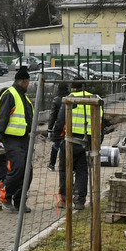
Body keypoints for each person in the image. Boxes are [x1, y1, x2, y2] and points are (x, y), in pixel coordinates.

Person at [51, 78, 103, 210]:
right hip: (87, 142)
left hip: (70, 141)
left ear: (73, 88)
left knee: (65, 170)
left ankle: (64, 199)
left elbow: (60, 120)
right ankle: (79, 201)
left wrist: (56, 138)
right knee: (82, 171)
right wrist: (96, 144)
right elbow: (100, 124)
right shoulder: (94, 99)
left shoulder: (70, 99)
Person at [0, 66, 35, 212]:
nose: (28, 84)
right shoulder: (10, 95)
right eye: (28, 81)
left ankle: (19, 201)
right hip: (11, 139)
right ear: (23, 81)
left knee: (28, 172)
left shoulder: (25, 99)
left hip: (24, 139)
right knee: (17, 167)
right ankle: (5, 194)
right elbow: (3, 117)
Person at [46, 82, 71, 171]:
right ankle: (68, 165)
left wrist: (49, 128)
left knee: (56, 145)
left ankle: (52, 164)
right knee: (69, 145)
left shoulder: (56, 100)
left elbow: (53, 115)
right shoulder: (71, 98)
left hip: (59, 126)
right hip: (70, 125)